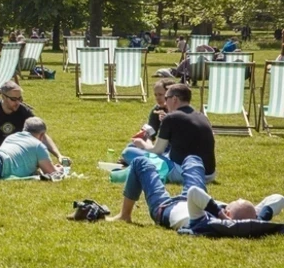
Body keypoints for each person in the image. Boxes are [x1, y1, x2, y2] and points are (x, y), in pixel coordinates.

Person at [109, 154, 272, 230]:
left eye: (235, 201)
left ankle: (125, 216)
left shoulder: (203, 220)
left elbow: (194, 192)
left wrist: (220, 214)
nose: (236, 198)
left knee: (140, 162)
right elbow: (278, 198)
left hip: (164, 206)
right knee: (194, 159)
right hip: (192, 200)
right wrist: (259, 215)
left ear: (228, 213)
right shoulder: (234, 218)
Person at [124, 83, 216, 183]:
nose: (165, 102)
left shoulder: (171, 117)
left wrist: (143, 143)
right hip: (209, 174)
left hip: (184, 173)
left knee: (129, 152)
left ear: (175, 99)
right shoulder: (202, 117)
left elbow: (157, 151)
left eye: (166, 97)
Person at [0, 81, 64, 162]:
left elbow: (41, 134)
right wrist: (3, 150)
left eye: (20, 99)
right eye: (13, 99)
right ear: (3, 97)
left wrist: (59, 155)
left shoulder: (23, 111)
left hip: (17, 152)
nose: (17, 102)